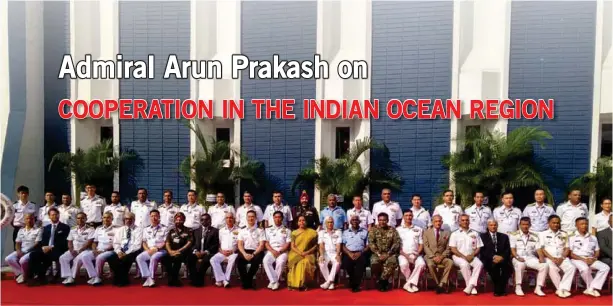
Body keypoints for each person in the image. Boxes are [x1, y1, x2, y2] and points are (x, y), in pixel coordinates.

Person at [27, 207, 70, 285]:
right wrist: (43, 247)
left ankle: (52, 277)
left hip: (58, 249)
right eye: (52, 215)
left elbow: (64, 242)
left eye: (56, 214)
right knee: (33, 255)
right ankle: (36, 277)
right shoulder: (46, 228)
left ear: (59, 215)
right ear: (49, 216)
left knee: (52, 256)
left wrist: (51, 247)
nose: (55, 216)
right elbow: (43, 241)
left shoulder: (65, 227)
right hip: (46, 249)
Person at [569, 217, 610, 297]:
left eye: (586, 224)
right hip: (578, 259)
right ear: (576, 226)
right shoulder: (572, 237)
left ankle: (591, 288)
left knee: (605, 267)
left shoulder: (593, 237)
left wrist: (594, 258)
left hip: (591, 259)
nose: (584, 226)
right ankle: (592, 289)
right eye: (582, 224)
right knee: (585, 269)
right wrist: (584, 260)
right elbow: (571, 254)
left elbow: (597, 251)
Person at [539, 215, 576, 298]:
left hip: (561, 257)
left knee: (572, 267)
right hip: (549, 257)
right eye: (554, 223)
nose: (556, 225)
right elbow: (542, 249)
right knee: (552, 268)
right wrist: (552, 258)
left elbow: (567, 248)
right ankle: (560, 289)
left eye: (557, 223)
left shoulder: (564, 234)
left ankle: (563, 289)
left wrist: (562, 258)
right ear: (548, 223)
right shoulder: (542, 234)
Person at [509, 217, 547, 296]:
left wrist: (541, 257)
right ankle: (518, 287)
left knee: (544, 265)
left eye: (527, 224)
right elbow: (512, 249)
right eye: (523, 224)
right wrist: (517, 257)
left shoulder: (535, 236)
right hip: (518, 257)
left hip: (531, 258)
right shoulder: (513, 235)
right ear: (519, 225)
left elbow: (538, 249)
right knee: (520, 264)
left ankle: (538, 288)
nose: (525, 226)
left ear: (530, 225)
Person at [449, 213, 483, 295]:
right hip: (458, 256)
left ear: (469, 221)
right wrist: (464, 257)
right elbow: (453, 249)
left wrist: (472, 255)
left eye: (467, 220)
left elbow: (479, 247)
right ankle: (471, 286)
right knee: (464, 265)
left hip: (472, 255)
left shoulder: (475, 233)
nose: (465, 222)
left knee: (479, 264)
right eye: (463, 220)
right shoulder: (455, 234)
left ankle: (470, 286)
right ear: (459, 222)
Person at [59, 212, 96, 285]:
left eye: (82, 218)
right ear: (76, 219)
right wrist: (71, 250)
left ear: (86, 219)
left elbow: (89, 242)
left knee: (77, 259)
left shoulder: (91, 229)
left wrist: (81, 250)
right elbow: (69, 241)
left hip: (85, 250)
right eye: (78, 218)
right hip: (74, 249)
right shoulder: (73, 229)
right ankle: (67, 276)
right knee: (62, 258)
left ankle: (72, 278)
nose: (80, 220)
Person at [107, 212, 143, 287]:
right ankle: (123, 278)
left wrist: (126, 253)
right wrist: (119, 252)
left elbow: (137, 245)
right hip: (121, 251)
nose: (128, 220)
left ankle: (119, 279)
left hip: (133, 251)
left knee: (125, 259)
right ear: (124, 220)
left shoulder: (138, 230)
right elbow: (116, 243)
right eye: (126, 219)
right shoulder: (120, 230)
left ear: (134, 220)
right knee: (111, 258)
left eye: (130, 219)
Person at [5, 213, 42, 284]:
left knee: (22, 260)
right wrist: (18, 251)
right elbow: (18, 243)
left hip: (32, 251)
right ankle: (22, 274)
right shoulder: (21, 230)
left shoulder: (38, 230)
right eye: (27, 219)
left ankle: (24, 276)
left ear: (34, 220)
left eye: (31, 219)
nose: (29, 220)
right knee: (8, 258)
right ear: (24, 220)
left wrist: (26, 252)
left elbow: (37, 243)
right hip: (22, 249)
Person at [368, 212, 401, 292]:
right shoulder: (373, 230)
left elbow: (396, 243)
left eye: (384, 220)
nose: (382, 222)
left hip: (390, 253)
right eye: (380, 220)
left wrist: (388, 254)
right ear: (377, 220)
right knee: (374, 262)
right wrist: (379, 254)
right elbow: (371, 243)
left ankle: (383, 281)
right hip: (377, 253)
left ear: (387, 220)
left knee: (392, 262)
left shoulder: (392, 230)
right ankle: (381, 279)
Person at [137, 209, 169, 287]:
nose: (154, 218)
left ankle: (151, 278)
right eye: (152, 216)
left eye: (156, 216)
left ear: (159, 217)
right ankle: (148, 278)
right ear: (150, 217)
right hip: (150, 249)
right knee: (139, 258)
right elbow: (144, 242)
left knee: (154, 257)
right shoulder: (146, 229)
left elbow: (165, 242)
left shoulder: (165, 228)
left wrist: (157, 249)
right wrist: (148, 250)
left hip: (161, 250)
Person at [479, 219, 511, 296]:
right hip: (489, 259)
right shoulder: (482, 236)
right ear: (488, 226)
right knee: (494, 267)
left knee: (507, 268)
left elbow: (507, 250)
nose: (493, 227)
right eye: (491, 225)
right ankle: (499, 289)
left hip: (502, 258)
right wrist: (493, 257)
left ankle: (500, 288)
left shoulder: (504, 236)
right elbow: (483, 251)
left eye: (494, 225)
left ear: (497, 226)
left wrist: (501, 257)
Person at [84, 211, 116, 285]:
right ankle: (93, 276)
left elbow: (115, 243)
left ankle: (98, 277)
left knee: (99, 258)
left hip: (110, 251)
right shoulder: (99, 229)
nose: (106, 219)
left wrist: (104, 250)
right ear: (102, 219)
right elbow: (95, 242)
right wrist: (94, 250)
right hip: (98, 250)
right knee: (85, 257)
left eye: (108, 217)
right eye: (104, 217)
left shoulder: (116, 229)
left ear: (112, 219)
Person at [397, 210, 426, 293]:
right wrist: (407, 257)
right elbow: (397, 246)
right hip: (403, 254)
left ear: (412, 217)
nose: (408, 217)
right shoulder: (398, 229)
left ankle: (408, 283)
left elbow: (421, 244)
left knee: (421, 264)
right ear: (403, 217)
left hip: (416, 254)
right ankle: (412, 283)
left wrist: (417, 255)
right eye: (406, 215)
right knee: (403, 264)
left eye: (410, 215)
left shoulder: (418, 229)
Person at [236, 210, 267, 289]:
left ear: (256, 218)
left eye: (252, 216)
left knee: (255, 262)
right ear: (246, 218)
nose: (251, 218)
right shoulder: (242, 230)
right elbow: (240, 244)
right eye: (249, 217)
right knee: (239, 262)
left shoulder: (260, 230)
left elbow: (262, 245)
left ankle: (247, 281)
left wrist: (253, 254)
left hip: (257, 251)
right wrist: (244, 254)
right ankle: (247, 282)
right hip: (245, 251)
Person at [423, 215, 453, 294]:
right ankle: (437, 283)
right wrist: (433, 257)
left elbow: (448, 247)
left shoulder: (447, 233)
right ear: (432, 222)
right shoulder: (426, 232)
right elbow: (425, 246)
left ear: (442, 222)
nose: (438, 223)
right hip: (430, 256)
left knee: (450, 262)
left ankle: (441, 284)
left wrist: (442, 256)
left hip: (442, 256)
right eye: (436, 221)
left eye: (439, 221)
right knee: (430, 265)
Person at [287, 215, 318, 291]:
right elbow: (293, 246)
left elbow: (315, 246)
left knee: (305, 262)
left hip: (309, 253)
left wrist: (307, 252)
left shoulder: (312, 232)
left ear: (306, 222)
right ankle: (295, 284)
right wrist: (300, 253)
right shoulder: (294, 232)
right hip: (295, 253)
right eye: (300, 221)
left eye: (303, 220)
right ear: (297, 223)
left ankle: (303, 283)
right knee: (298, 262)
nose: (301, 222)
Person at [188, 213, 219, 287]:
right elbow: (192, 244)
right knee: (189, 259)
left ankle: (199, 281)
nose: (204, 221)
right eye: (202, 220)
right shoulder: (195, 231)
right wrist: (195, 251)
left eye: (206, 219)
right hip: (197, 252)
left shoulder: (215, 231)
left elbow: (215, 245)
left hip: (208, 253)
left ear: (210, 220)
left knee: (204, 262)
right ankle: (194, 279)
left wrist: (205, 252)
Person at [210, 212, 240, 287]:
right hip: (222, 252)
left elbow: (240, 244)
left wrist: (233, 251)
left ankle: (225, 280)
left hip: (233, 252)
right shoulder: (221, 230)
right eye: (227, 218)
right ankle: (223, 279)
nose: (229, 219)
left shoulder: (239, 230)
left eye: (231, 218)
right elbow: (219, 244)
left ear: (234, 219)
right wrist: (222, 251)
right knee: (213, 259)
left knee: (232, 260)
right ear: (225, 220)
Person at [263, 211, 291, 290]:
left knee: (280, 262)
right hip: (271, 250)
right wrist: (272, 251)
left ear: (282, 218)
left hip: (282, 251)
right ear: (273, 218)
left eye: (279, 217)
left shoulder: (287, 230)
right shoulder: (268, 229)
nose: (277, 219)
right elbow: (266, 243)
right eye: (276, 217)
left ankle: (273, 282)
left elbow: (288, 243)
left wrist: (280, 251)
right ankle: (274, 281)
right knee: (266, 261)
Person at [163, 212, 193, 287]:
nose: (178, 221)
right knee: (164, 258)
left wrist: (178, 251)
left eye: (181, 220)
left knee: (177, 257)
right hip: (172, 251)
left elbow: (189, 243)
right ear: (174, 220)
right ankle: (172, 277)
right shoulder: (171, 230)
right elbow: (167, 242)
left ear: (184, 220)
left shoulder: (188, 230)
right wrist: (170, 251)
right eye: (177, 220)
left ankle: (174, 279)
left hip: (183, 252)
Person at [342, 215, 369, 292]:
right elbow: (343, 246)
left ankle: (355, 285)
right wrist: (349, 253)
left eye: (356, 220)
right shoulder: (345, 232)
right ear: (350, 222)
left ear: (359, 222)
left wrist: (360, 252)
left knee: (360, 266)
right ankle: (352, 280)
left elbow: (368, 246)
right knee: (347, 264)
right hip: (348, 253)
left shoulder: (365, 232)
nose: (354, 221)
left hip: (361, 253)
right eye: (353, 220)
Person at [318, 216, 342, 290]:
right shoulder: (321, 232)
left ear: (333, 223)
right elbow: (321, 245)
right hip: (325, 253)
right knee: (321, 263)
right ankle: (331, 282)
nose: (330, 224)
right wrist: (321, 255)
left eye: (331, 222)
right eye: (328, 222)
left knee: (337, 262)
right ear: (325, 223)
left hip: (334, 253)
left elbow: (338, 244)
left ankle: (327, 282)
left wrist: (338, 254)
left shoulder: (338, 231)